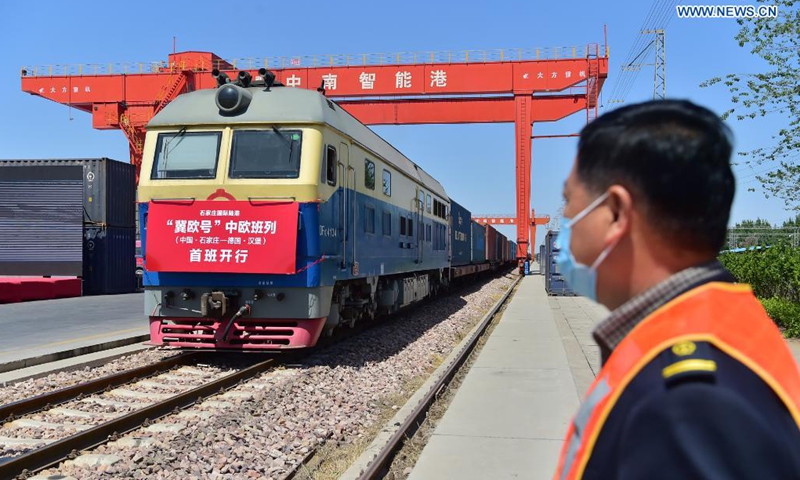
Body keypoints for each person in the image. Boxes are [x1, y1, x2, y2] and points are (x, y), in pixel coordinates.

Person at [551, 99, 800, 479]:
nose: (566, 219)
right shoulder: (723, 324)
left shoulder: (686, 404)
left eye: (569, 200)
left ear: (616, 213)